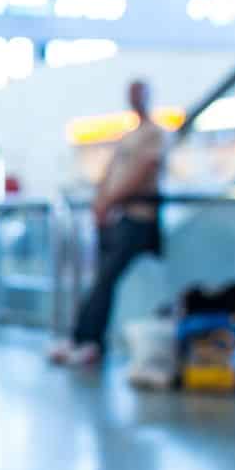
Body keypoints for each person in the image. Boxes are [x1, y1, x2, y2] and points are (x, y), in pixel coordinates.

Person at [50, 79, 168, 366]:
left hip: (139, 217)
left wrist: (111, 199)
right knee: (101, 279)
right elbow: (112, 172)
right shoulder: (130, 136)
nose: (135, 99)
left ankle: (88, 340)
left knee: (105, 279)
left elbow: (143, 171)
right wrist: (101, 202)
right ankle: (84, 339)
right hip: (118, 216)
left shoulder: (154, 134)